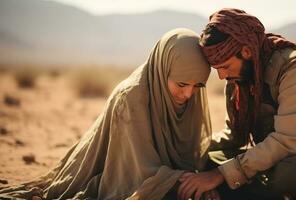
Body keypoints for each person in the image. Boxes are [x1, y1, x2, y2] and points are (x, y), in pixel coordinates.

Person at [0, 28, 212, 199]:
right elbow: (135, 171)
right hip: (116, 171)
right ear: (163, 68)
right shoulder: (131, 99)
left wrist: (201, 180)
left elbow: (190, 153)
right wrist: (186, 180)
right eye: (182, 84)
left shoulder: (189, 96)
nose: (188, 94)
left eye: (198, 86)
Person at [178, 8, 296, 200]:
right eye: (217, 69)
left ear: (246, 51)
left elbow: (287, 141)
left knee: (292, 172)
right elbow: (234, 137)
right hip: (269, 164)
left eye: (225, 67)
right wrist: (191, 146)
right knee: (205, 159)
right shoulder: (239, 80)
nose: (222, 76)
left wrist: (219, 175)